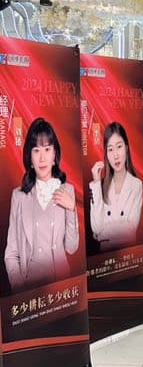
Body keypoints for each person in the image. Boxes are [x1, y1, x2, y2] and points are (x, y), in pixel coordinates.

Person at [4, 118, 79, 293]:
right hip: (30, 288)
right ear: (30, 158)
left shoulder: (67, 190)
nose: (42, 157)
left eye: (47, 149)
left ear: (54, 155)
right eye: (36, 150)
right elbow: (11, 253)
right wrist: (19, 287)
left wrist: (72, 209)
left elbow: (71, 247)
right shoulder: (19, 196)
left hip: (61, 286)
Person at [89, 121, 143, 251]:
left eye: (119, 147)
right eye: (110, 149)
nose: (115, 155)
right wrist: (96, 183)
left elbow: (131, 230)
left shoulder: (136, 185)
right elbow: (96, 227)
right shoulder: (100, 186)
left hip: (128, 255)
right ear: (106, 154)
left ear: (126, 148)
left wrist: (103, 235)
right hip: (106, 256)